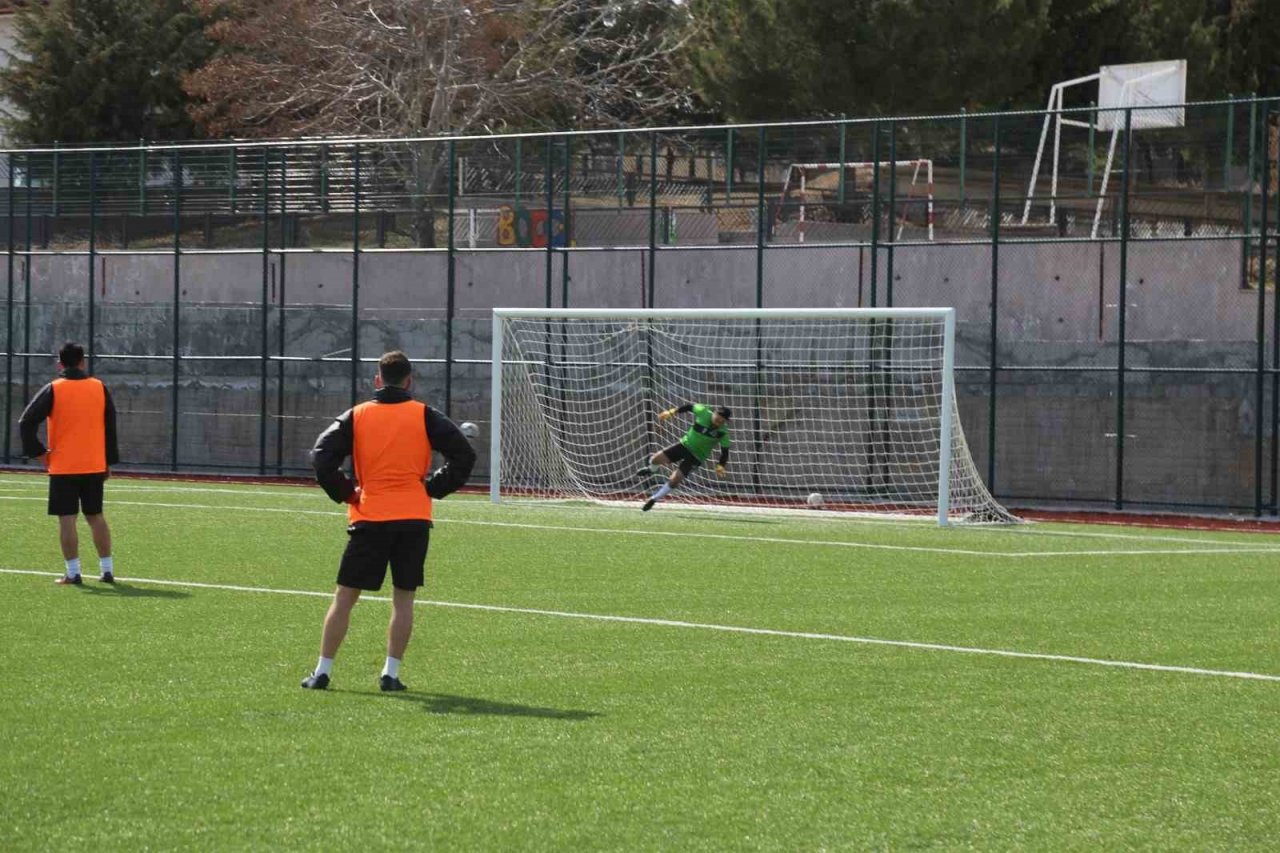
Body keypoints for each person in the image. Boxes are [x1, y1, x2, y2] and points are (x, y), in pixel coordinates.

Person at [303, 350, 475, 692]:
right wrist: (434, 487)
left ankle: (322, 672)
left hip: (371, 516)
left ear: (377, 380)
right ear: (409, 381)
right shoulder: (425, 415)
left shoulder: (358, 415)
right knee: (403, 599)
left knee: (345, 598)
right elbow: (463, 455)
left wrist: (347, 492)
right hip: (413, 518)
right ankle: (390, 674)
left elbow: (321, 456)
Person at [18, 342, 119, 585]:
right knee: (96, 516)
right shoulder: (99, 387)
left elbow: (26, 422)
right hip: (94, 463)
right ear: (83, 361)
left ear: (60, 364)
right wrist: (108, 461)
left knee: (67, 518)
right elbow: (110, 427)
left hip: (64, 466)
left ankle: (73, 573)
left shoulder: (54, 388)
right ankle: (107, 570)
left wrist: (40, 453)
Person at [637, 403, 731, 512]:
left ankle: (654, 499)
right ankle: (652, 469)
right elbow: (689, 407)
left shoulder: (723, 432)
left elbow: (725, 451)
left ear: (725, 422)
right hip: (684, 446)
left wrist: (721, 465)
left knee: (675, 479)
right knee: (655, 459)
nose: (718, 422)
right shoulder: (703, 412)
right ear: (714, 413)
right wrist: (672, 412)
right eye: (717, 419)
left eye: (722, 421)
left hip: (697, 457)